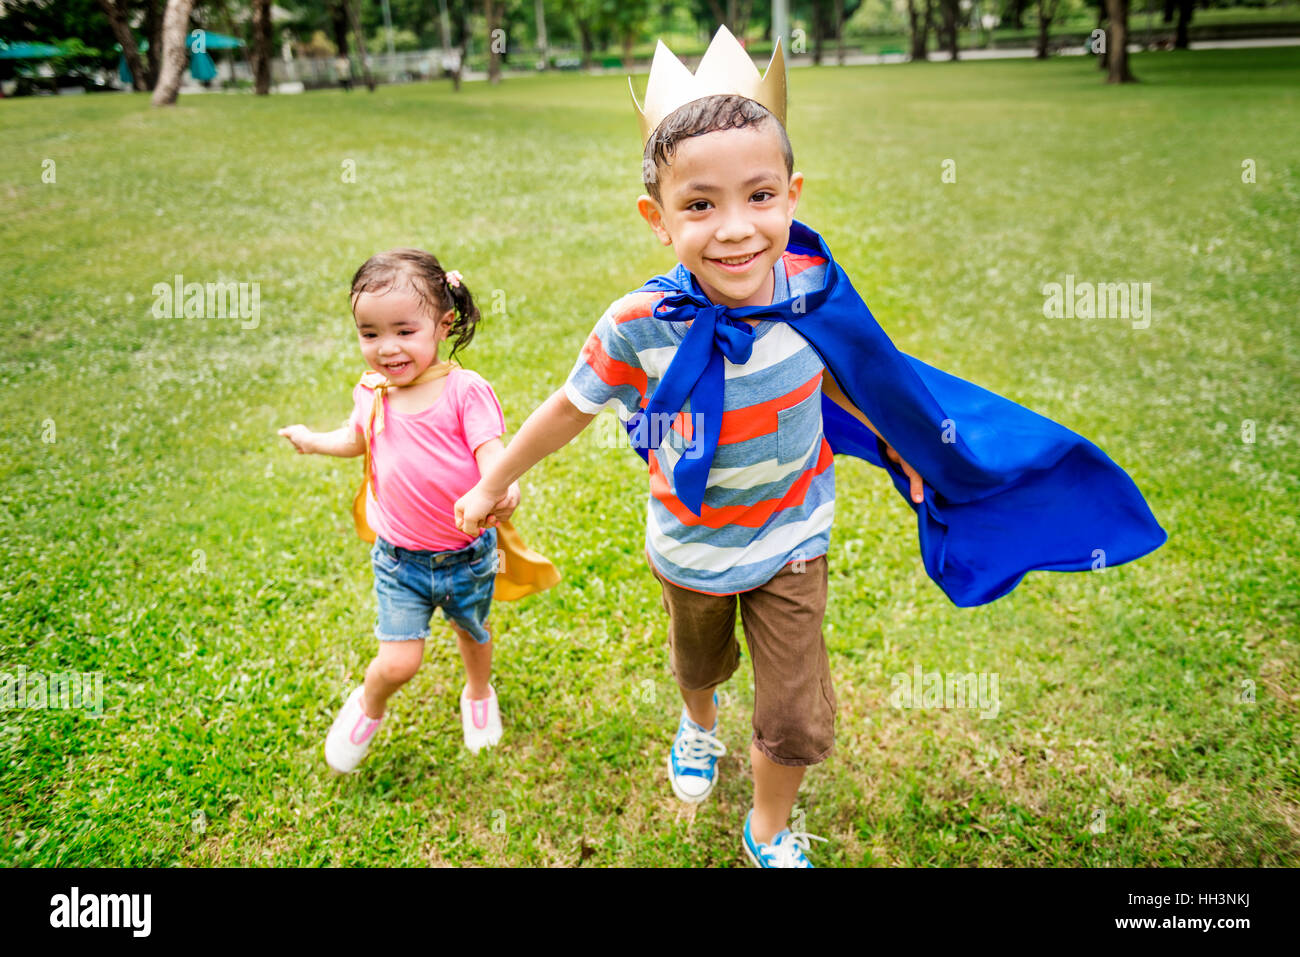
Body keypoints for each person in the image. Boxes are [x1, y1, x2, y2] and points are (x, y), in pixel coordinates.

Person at [455, 27, 1164, 867]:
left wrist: (910, 449)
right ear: (657, 218)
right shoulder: (637, 323)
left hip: (793, 536)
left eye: (759, 197)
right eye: (699, 205)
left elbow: (858, 380)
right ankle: (698, 722)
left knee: (794, 710)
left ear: (793, 193)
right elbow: (568, 410)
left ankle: (765, 825)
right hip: (689, 544)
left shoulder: (812, 296)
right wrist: (492, 476)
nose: (734, 230)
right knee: (700, 661)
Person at [279, 250, 521, 772]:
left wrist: (505, 488)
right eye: (370, 333)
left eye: (404, 331)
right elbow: (356, 439)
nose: (386, 348)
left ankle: (478, 694)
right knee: (399, 660)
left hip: (467, 556)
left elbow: (493, 456)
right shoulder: (373, 392)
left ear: (443, 323)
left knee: (473, 631)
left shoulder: (464, 391)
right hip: (398, 561)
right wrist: (314, 441)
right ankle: (368, 704)